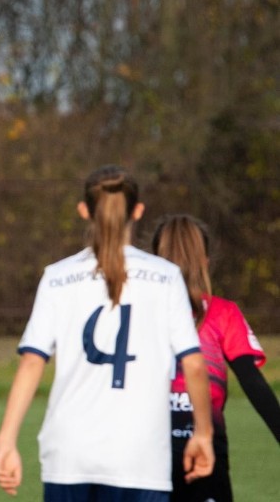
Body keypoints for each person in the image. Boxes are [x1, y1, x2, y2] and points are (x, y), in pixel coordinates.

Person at [0, 165, 215, 501]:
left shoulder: (57, 276)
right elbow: (195, 365)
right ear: (137, 212)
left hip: (69, 456)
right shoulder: (166, 276)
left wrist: (6, 440)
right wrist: (204, 433)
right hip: (141, 460)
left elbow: (32, 363)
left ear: (84, 211)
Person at [152, 214, 280, 502]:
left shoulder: (137, 311)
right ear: (206, 261)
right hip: (206, 445)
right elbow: (253, 383)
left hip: (148, 449)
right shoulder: (223, 312)